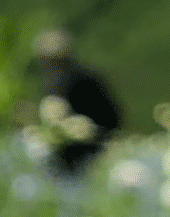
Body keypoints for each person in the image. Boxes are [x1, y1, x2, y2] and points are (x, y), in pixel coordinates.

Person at [35, 29, 122, 176]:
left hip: (83, 155)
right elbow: (115, 116)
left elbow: (55, 119)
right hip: (104, 145)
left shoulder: (59, 82)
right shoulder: (90, 74)